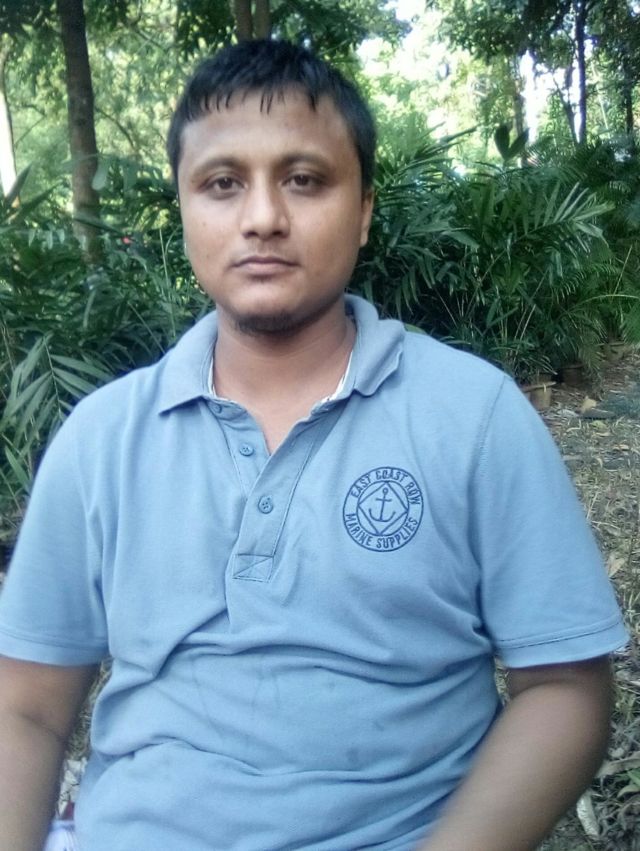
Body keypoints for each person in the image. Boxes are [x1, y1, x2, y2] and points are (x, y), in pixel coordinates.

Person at [0, 39, 628, 851]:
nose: (263, 216)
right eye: (222, 184)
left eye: (304, 179)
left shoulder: (474, 417)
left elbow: (566, 689)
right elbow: (25, 706)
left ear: (363, 210)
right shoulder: (101, 440)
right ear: (184, 208)